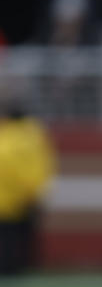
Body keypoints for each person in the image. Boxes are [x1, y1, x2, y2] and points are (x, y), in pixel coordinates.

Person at [0, 99, 57, 275]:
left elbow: (6, 166)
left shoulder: (7, 137)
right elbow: (46, 164)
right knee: (25, 234)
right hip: (32, 193)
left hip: (6, 196)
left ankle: (8, 269)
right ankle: (24, 267)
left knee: (7, 236)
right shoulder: (36, 135)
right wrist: (36, 190)